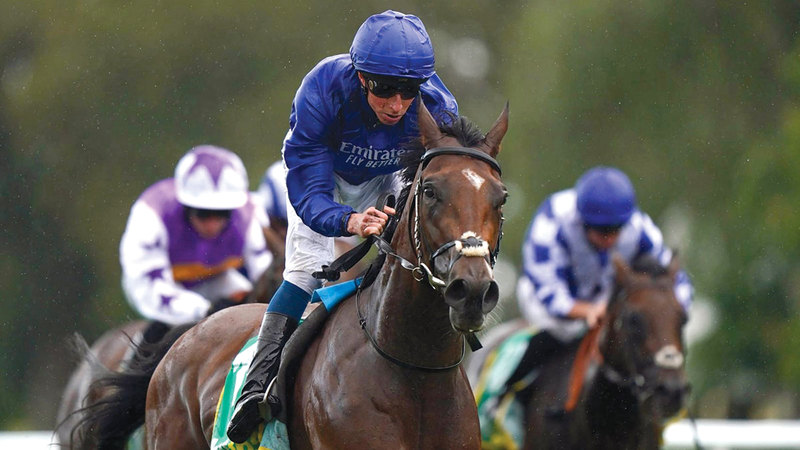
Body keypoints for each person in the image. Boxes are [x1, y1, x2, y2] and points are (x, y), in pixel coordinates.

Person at [227, 9, 459, 442]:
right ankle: (257, 384)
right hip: (324, 177)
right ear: (361, 77)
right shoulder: (322, 91)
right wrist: (349, 219)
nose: (397, 105)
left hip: (391, 174)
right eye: (384, 89)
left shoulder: (438, 108)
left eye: (408, 91)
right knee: (306, 271)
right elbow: (310, 194)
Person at [508, 166, 693, 388]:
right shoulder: (552, 222)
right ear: (582, 221)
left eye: (616, 229)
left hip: (604, 305)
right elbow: (547, 288)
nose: (610, 239)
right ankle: (506, 390)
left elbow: (675, 283)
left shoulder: (639, 227)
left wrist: (672, 313)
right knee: (563, 333)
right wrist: (586, 311)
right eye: (602, 231)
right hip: (547, 307)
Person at [119, 145, 273, 343]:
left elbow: (265, 274)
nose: (213, 224)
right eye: (203, 213)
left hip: (216, 279)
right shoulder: (150, 216)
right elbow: (149, 290)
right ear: (185, 205)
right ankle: (134, 358)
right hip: (162, 286)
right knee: (162, 330)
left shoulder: (250, 214)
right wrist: (205, 311)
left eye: (222, 213)